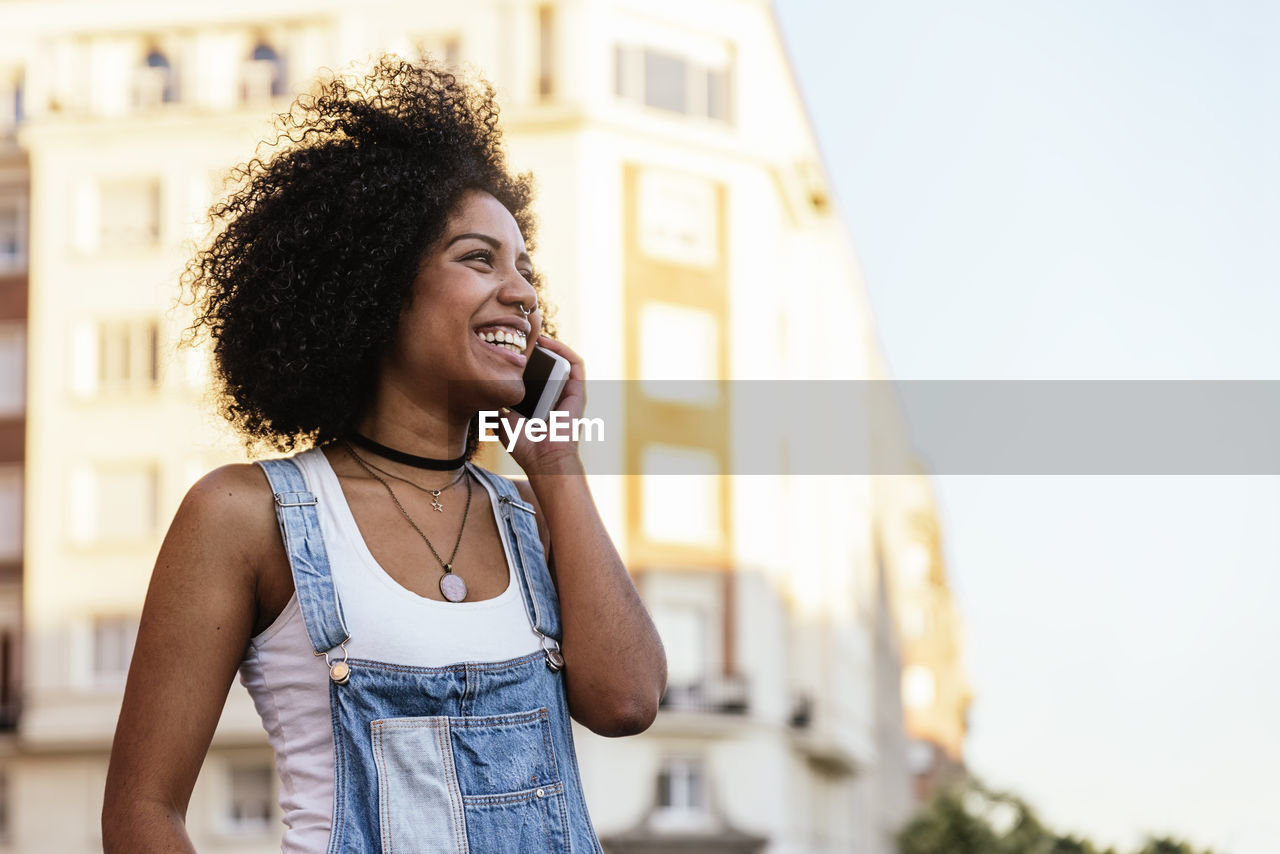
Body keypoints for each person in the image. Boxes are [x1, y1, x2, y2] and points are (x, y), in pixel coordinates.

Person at [102, 55, 667, 853]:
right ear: (375, 285)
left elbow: (628, 703)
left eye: (526, 269)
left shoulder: (533, 517)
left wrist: (555, 462)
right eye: (479, 259)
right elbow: (141, 814)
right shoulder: (244, 515)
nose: (523, 293)